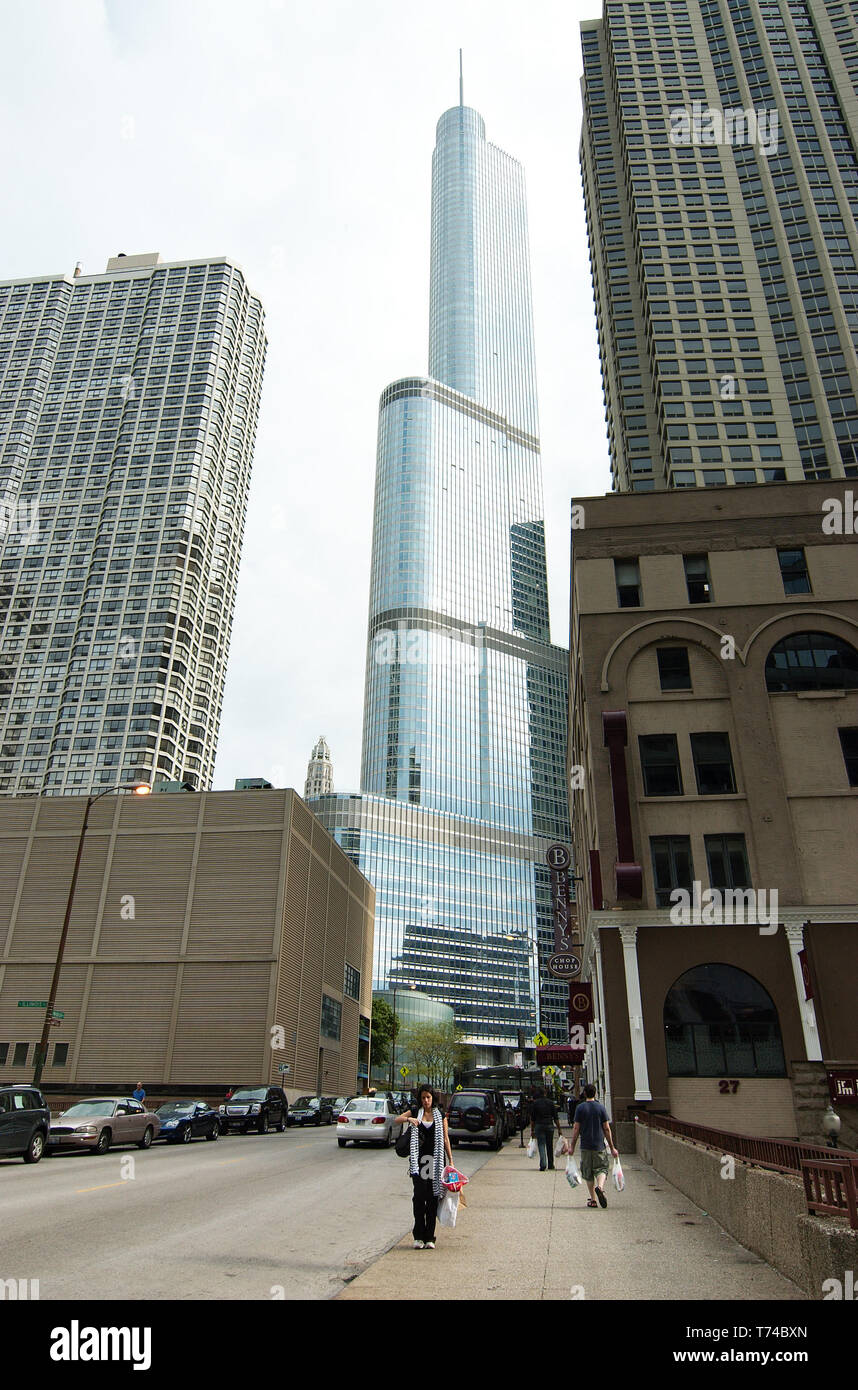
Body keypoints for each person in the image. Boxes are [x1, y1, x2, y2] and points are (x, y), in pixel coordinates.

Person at [394, 1085, 453, 1249]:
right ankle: (418, 1236)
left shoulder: (440, 1115)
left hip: (435, 1162)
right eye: (423, 1098)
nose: (426, 1101)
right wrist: (409, 1119)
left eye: (428, 1097)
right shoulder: (415, 1112)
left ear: (433, 1098)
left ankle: (430, 1237)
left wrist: (451, 1160)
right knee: (419, 1198)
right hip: (418, 1162)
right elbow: (396, 1119)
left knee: (433, 1198)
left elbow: (446, 1139)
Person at [568, 1083, 618, 1209]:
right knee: (601, 1168)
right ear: (595, 1093)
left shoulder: (580, 1108)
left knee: (588, 1172)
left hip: (585, 1145)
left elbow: (576, 1128)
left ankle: (593, 1200)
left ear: (584, 1093)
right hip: (599, 1145)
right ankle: (600, 1187)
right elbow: (606, 1128)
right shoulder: (600, 1108)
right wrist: (612, 1147)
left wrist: (572, 1146)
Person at [529, 1086, 562, 1171]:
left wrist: (532, 1130)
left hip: (539, 1125)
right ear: (545, 1093)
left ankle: (543, 1164)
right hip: (549, 1125)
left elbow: (532, 1119)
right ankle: (551, 1164)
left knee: (541, 1144)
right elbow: (555, 1117)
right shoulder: (550, 1103)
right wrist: (559, 1129)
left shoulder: (535, 1104)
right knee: (549, 1145)